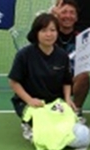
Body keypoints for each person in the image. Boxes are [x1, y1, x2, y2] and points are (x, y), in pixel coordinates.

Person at [8, 13, 75, 141]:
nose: (49, 34)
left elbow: (67, 81)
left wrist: (67, 99)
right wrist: (30, 100)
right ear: (36, 33)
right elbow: (14, 82)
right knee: (43, 131)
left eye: (52, 30)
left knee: (66, 129)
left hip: (54, 102)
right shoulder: (24, 55)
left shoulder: (62, 55)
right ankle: (27, 123)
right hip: (30, 103)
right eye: (44, 30)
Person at [54, 0, 90, 122]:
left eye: (72, 13)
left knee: (84, 76)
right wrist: (51, 15)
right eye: (64, 12)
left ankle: (76, 110)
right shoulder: (49, 34)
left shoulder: (83, 38)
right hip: (50, 79)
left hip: (71, 80)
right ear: (58, 14)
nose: (68, 16)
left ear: (77, 17)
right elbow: (32, 37)